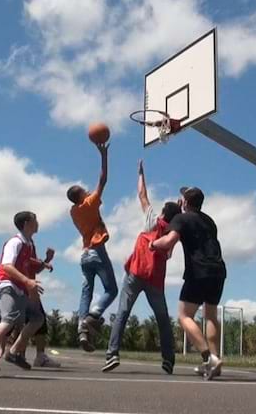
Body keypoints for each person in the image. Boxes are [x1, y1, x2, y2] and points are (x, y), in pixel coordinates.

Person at [103, 161, 180, 374]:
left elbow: (142, 194)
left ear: (163, 212)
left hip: (136, 273)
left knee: (122, 313)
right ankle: (168, 359)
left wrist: (140, 173)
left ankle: (112, 353)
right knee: (162, 319)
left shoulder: (152, 221)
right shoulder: (174, 233)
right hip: (155, 279)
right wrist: (180, 211)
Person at [151, 186, 227, 380]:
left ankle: (207, 357)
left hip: (198, 271)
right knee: (210, 315)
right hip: (218, 270)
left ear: (185, 202)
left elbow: (169, 241)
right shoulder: (209, 221)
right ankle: (214, 359)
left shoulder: (182, 219)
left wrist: (153, 243)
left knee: (184, 316)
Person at [0, 211, 46, 371]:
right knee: (8, 320)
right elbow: (6, 265)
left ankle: (13, 351)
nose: (38, 223)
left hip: (19, 288)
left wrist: (45, 262)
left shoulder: (29, 244)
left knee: (38, 318)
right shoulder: (15, 242)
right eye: (35, 220)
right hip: (6, 284)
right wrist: (27, 281)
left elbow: (31, 267)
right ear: (26, 224)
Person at [67, 142, 117, 352]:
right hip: (96, 251)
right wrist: (104, 155)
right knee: (111, 289)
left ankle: (82, 329)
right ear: (81, 196)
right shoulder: (89, 203)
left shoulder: (73, 211)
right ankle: (92, 316)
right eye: (84, 191)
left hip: (84, 255)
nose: (88, 191)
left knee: (86, 291)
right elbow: (103, 179)